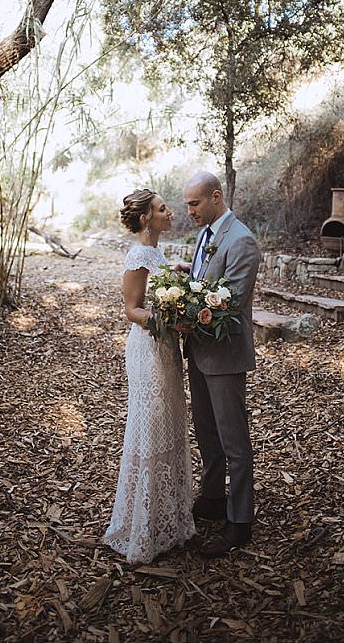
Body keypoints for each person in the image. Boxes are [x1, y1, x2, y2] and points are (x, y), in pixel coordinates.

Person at [103, 188, 196, 565]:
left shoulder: (155, 253)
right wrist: (170, 319)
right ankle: (141, 527)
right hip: (148, 350)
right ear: (146, 219)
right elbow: (132, 309)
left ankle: (169, 521)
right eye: (161, 209)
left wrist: (174, 275)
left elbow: (157, 288)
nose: (170, 212)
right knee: (151, 426)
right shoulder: (138, 254)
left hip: (166, 349)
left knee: (170, 424)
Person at [182, 170, 261, 557]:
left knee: (233, 439)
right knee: (206, 433)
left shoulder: (242, 240)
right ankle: (213, 498)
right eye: (187, 205)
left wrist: (179, 311)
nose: (190, 212)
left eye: (194, 204)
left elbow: (228, 306)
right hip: (198, 352)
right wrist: (186, 281)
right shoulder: (205, 234)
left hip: (225, 354)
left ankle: (240, 519)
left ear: (216, 197)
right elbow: (205, 284)